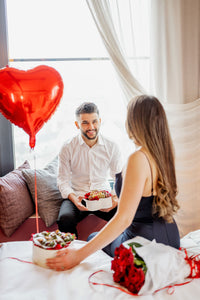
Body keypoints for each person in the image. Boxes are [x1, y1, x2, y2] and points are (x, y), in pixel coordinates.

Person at [47, 95, 180, 271]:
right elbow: (62, 180)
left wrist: (77, 256)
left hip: (144, 243)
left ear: (135, 122)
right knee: (77, 225)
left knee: (91, 238)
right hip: (171, 238)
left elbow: (124, 219)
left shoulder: (137, 158)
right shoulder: (163, 155)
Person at [56, 102, 123, 237]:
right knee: (65, 220)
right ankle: (73, 253)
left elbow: (119, 177)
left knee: (126, 215)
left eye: (94, 122)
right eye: (85, 123)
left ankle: (119, 251)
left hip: (103, 197)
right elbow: (62, 180)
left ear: (99, 121)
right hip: (78, 196)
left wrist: (115, 198)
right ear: (77, 125)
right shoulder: (67, 147)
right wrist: (74, 199)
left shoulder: (112, 146)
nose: (91, 127)